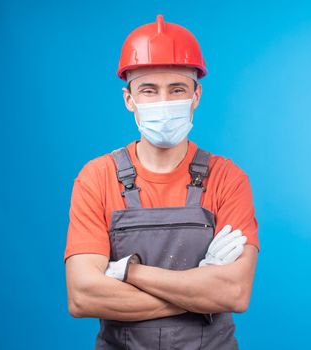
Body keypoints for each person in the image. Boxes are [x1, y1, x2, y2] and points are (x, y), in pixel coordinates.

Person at [63, 14, 260, 349]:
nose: (164, 103)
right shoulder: (96, 178)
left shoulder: (228, 179)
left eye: (177, 89)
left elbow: (235, 293)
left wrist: (129, 272)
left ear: (196, 95)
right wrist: (200, 292)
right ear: (129, 99)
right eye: (149, 90)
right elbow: (83, 296)